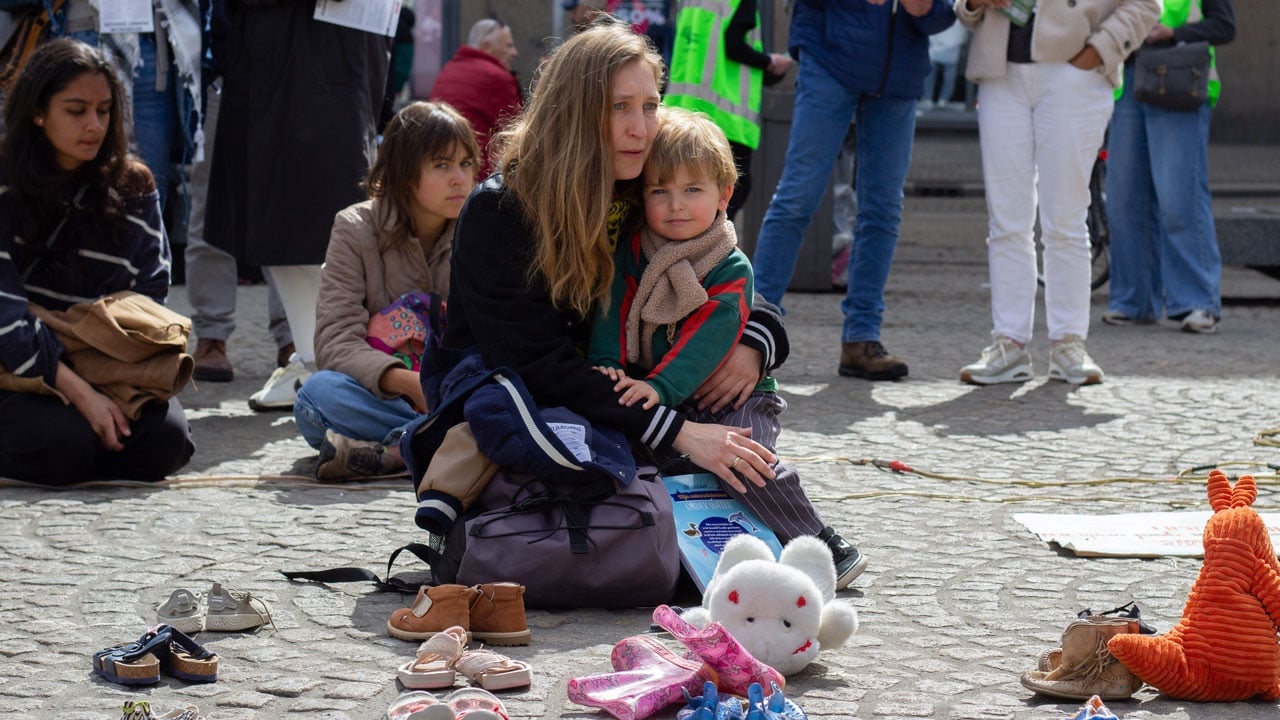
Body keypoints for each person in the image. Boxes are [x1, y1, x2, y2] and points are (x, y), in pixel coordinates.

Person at [437, 21, 866, 589]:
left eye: (651, 105)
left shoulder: (637, 187)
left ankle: (777, 545)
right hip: (526, 403)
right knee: (647, 494)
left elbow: (722, 271)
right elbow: (540, 367)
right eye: (620, 107)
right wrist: (678, 430)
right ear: (575, 111)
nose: (641, 128)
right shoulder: (500, 212)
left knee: (729, 449)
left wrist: (753, 344)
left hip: (626, 398)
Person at [586, 107, 866, 586]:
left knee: (743, 456)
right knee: (640, 457)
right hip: (663, 391)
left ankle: (818, 539)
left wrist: (660, 388)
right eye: (661, 191)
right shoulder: (634, 249)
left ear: (724, 195)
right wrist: (608, 362)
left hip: (732, 393)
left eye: (692, 190)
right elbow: (614, 306)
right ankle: (687, 557)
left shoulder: (729, 263)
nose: (676, 205)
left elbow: (710, 337)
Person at [0, 39, 194, 484]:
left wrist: (112, 381)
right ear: (37, 112)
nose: (93, 125)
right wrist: (82, 395)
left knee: (164, 444)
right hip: (18, 366)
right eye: (76, 110)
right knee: (63, 447)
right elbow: (6, 313)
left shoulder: (132, 185)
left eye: (104, 110)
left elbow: (148, 298)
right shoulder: (5, 186)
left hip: (105, 363)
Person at [954, 0, 1159, 386]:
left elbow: (1147, 4)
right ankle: (1009, 342)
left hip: (1073, 73)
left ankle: (1068, 342)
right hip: (1000, 74)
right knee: (1006, 218)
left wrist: (1098, 50)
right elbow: (963, 9)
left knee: (1064, 215)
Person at [749, 0, 956, 382]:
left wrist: (926, 9)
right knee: (798, 196)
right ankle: (752, 335)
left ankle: (861, 339)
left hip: (900, 75)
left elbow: (946, 15)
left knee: (883, 209)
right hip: (830, 61)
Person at [205, 0, 390, 412]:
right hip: (286, 52)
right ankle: (312, 356)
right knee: (283, 218)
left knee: (308, 215)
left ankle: (322, 360)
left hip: (315, 58)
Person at [294, 101, 480, 481]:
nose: (460, 179)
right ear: (405, 174)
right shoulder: (354, 229)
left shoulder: (478, 227)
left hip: (453, 395)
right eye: (442, 166)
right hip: (384, 396)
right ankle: (441, 446)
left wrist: (443, 389)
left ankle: (395, 452)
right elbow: (334, 340)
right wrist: (406, 383)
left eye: (466, 164)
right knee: (316, 397)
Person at [1102, 0, 1235, 335]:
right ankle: (1133, 302)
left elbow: (1224, 26)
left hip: (1179, 80)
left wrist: (1173, 32)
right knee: (1124, 199)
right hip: (1128, 82)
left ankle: (1197, 301)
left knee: (1181, 198)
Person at [663, 0, 792, 221]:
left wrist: (766, 70)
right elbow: (733, 45)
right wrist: (769, 61)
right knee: (730, 190)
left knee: (685, 188)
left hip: (683, 108)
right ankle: (708, 249)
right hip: (726, 116)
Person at [429, 18, 521, 177]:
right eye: (508, 46)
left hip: (443, 167)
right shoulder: (497, 77)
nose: (515, 52)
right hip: (480, 174)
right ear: (486, 46)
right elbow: (517, 135)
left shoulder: (449, 68)